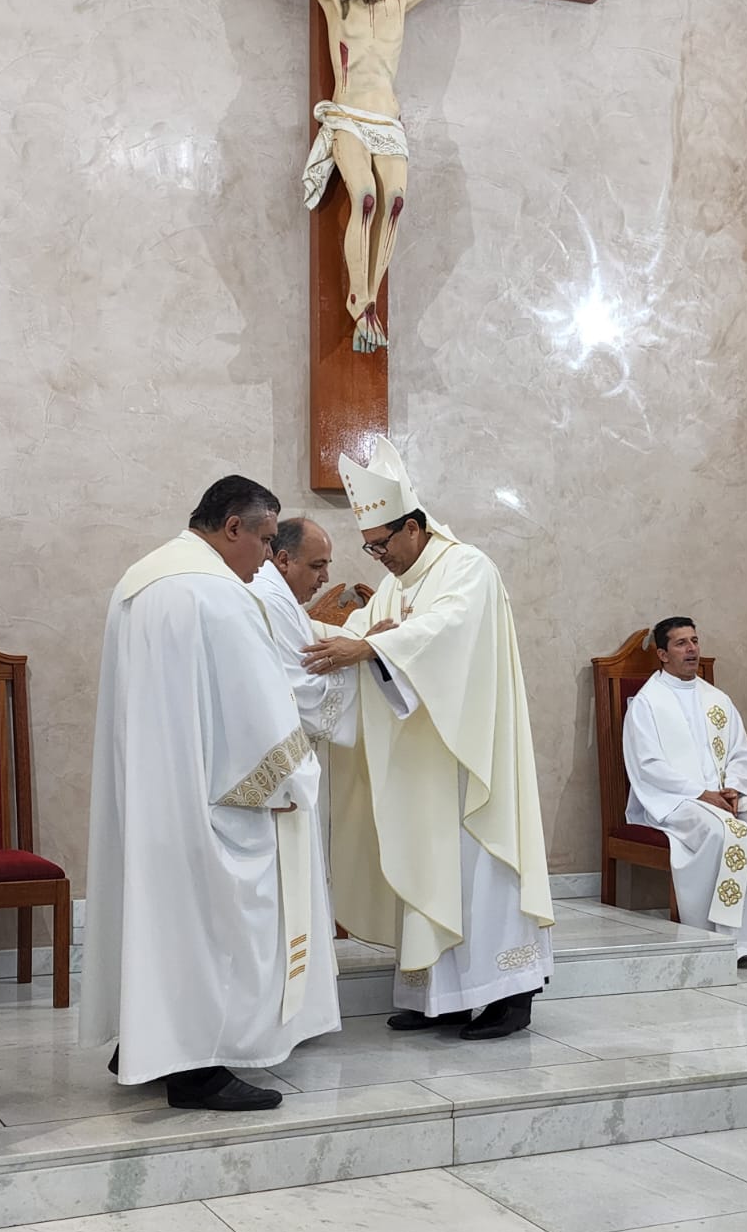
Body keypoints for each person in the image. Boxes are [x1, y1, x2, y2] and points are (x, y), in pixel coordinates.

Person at [79, 477, 340, 1109]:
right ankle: (199, 1067)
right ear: (233, 528)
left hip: (151, 793)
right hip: (207, 805)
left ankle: (146, 1043)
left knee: (157, 919)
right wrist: (294, 780)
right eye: (265, 540)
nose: (267, 557)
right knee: (214, 924)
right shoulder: (219, 594)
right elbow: (258, 715)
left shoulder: (140, 580)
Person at [301, 435, 554, 1040]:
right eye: (369, 547)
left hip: (468, 757)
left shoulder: (469, 568)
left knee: (477, 866)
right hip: (423, 762)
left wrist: (373, 648)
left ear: (412, 526)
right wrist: (295, 631)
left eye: (382, 544)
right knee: (427, 862)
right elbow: (360, 635)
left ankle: (508, 992)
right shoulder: (396, 584)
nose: (378, 557)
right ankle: (440, 996)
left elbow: (446, 632)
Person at [193, 0, 526, 352]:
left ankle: (368, 300)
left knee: (395, 203)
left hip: (387, 120)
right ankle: (360, 302)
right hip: (348, 115)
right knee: (365, 196)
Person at [623, 616, 747, 961]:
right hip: (675, 801)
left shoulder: (717, 699)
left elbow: (740, 753)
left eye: (695, 641)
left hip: (725, 796)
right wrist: (702, 794)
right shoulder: (647, 702)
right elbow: (648, 765)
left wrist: (734, 789)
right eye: (681, 643)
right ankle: (723, 940)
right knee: (726, 833)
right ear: (663, 654)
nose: (692, 649)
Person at [251, 517, 359, 745]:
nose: (326, 578)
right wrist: (365, 662)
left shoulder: (277, 593)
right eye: (317, 566)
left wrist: (365, 644)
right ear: (284, 560)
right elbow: (301, 692)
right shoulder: (271, 599)